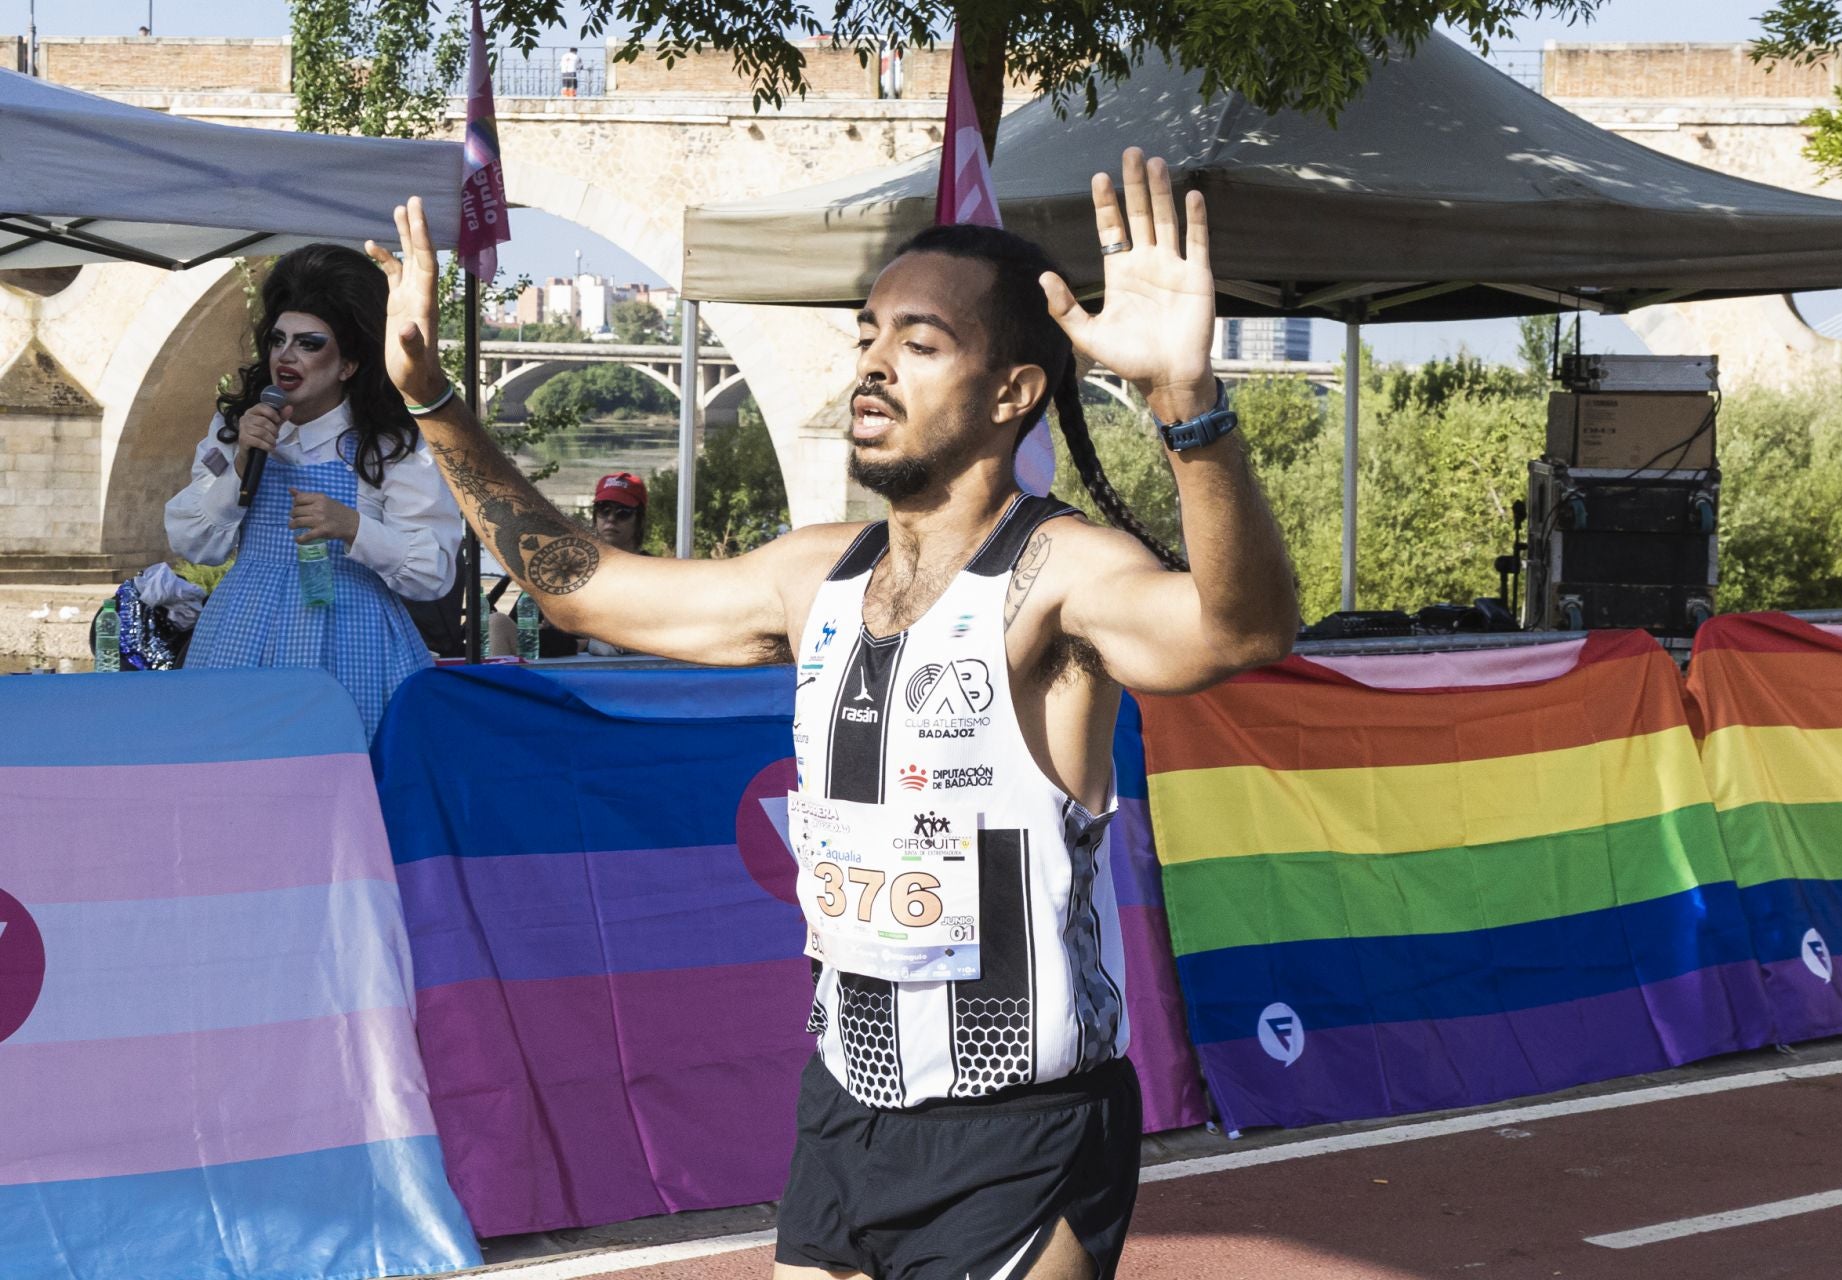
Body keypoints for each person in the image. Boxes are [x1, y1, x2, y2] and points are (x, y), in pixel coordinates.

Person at [369, 146, 1297, 1279]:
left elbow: (1239, 630)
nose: (874, 364)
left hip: (1023, 1134)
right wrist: (429, 396)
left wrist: (1187, 405)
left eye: (921, 343)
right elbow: (576, 582)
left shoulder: (1057, 573)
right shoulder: (815, 579)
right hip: (848, 1114)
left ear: (1013, 392)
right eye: (868, 335)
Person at [166, 244, 462, 736]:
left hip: (355, 640)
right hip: (242, 632)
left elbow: (434, 572)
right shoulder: (237, 426)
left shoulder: (389, 444)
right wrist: (240, 465)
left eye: (309, 343)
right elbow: (193, 543)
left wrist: (354, 528)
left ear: (348, 364)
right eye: (279, 339)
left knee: (346, 775)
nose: (286, 355)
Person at [537, 471, 649, 655]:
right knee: (498, 623)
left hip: (624, 669)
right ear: (595, 515)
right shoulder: (566, 569)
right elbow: (526, 628)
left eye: (623, 513)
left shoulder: (655, 572)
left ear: (640, 520)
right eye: (604, 510)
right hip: (559, 670)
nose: (611, 519)